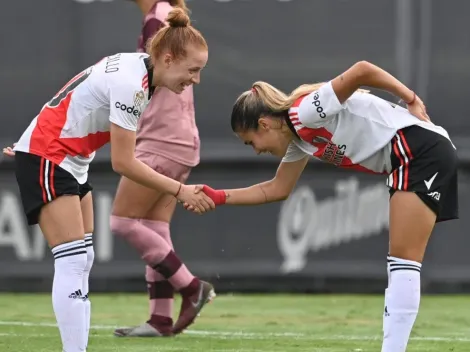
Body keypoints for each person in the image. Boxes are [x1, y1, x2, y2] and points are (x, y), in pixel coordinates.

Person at [188, 61, 459, 352]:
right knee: (403, 262)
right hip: (415, 154)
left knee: (403, 262)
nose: (255, 150)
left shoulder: (304, 113)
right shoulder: (299, 140)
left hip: (417, 151)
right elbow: (277, 189)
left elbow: (362, 71)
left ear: (264, 124)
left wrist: (411, 98)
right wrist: (218, 196)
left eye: (250, 141)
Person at [4, 8, 214, 352]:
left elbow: (75, 95)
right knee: (72, 259)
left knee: (82, 259)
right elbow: (123, 162)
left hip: (66, 158)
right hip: (52, 155)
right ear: (167, 58)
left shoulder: (136, 68)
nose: (196, 79)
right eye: (193, 70)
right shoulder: (133, 85)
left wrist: (31, 137)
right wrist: (179, 190)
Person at [112, 0, 206, 338]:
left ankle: (192, 287)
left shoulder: (160, 17)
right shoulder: (163, 15)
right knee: (154, 227)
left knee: (122, 221)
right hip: (179, 138)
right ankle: (160, 319)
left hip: (162, 137)